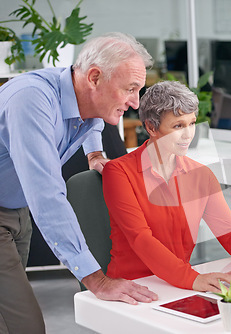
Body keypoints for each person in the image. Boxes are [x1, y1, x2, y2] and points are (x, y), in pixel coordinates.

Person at [0, 32, 158, 334]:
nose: (134, 102)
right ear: (95, 77)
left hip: (18, 212)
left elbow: (95, 119)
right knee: (24, 326)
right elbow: (47, 194)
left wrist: (95, 153)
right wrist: (95, 280)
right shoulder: (30, 100)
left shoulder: (81, 94)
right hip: (9, 211)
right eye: (130, 89)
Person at [102, 81, 231, 293]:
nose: (188, 135)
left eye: (192, 123)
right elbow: (141, 239)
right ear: (151, 127)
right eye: (178, 126)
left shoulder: (201, 175)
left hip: (177, 285)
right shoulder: (119, 172)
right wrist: (194, 279)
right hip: (132, 287)